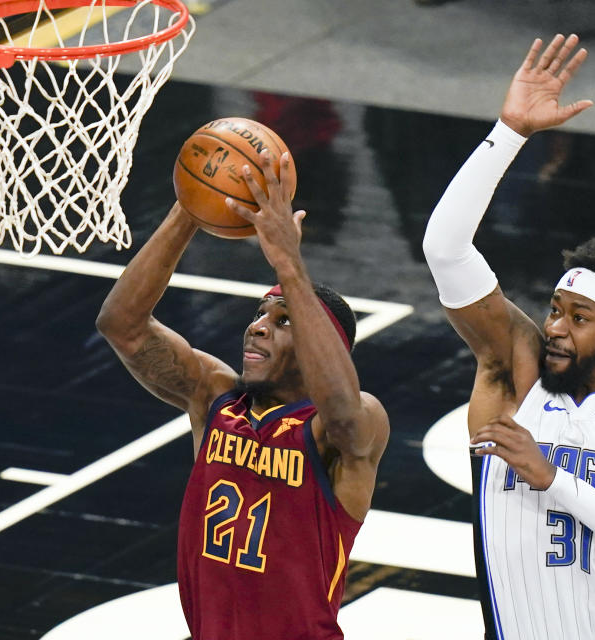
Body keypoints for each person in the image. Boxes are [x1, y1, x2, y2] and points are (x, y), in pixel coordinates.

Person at [422, 34, 595, 639]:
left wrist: (553, 478)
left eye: (579, 318)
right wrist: (509, 132)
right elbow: (444, 249)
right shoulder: (514, 367)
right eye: (555, 309)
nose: (555, 328)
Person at [96, 151, 390, 639]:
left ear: (325, 344)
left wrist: (288, 263)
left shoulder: (341, 426)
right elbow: (121, 326)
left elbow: (340, 402)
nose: (257, 327)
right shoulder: (214, 397)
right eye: (259, 314)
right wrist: (189, 209)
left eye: (283, 321)